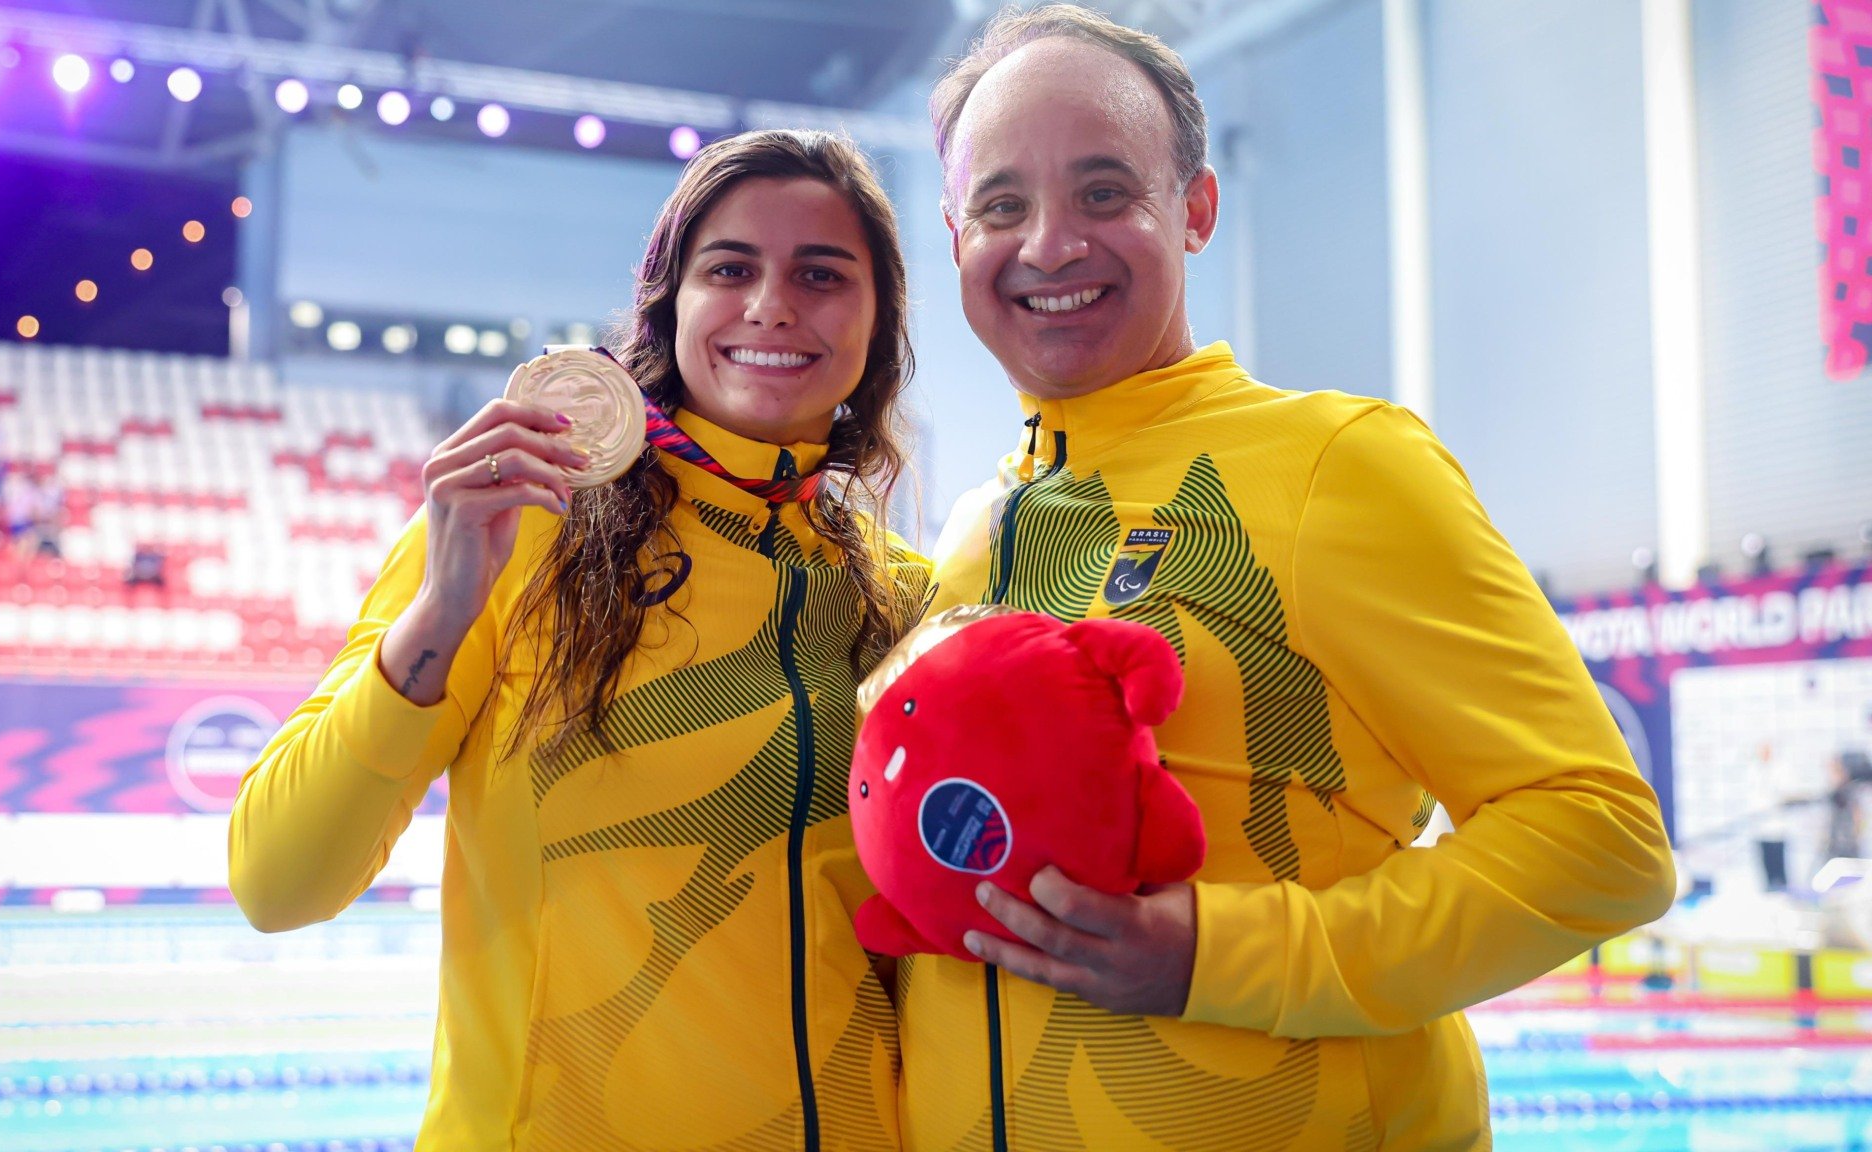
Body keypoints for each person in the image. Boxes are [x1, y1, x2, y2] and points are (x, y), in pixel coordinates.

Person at [895, 8, 1676, 1149]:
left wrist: (1222, 958)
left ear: (1194, 210)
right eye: (1002, 205)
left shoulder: (1338, 466)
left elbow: (1600, 843)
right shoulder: (974, 531)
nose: (1049, 244)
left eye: (1104, 192)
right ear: (957, 234)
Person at [230, 130, 928, 1151]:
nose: (771, 305)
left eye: (820, 274)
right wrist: (441, 610)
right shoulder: (520, 529)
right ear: (669, 303)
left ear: (877, 321)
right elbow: (277, 881)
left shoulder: (892, 593)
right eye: (728, 268)